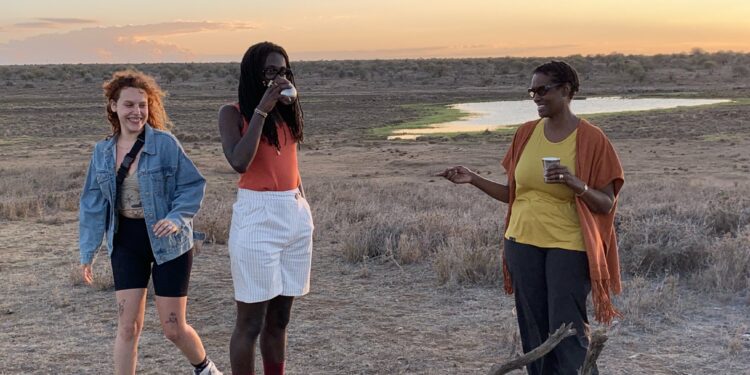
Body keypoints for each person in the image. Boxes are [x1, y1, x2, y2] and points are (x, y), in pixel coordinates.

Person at [438, 61, 624, 375]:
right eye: (532, 91)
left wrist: (576, 184)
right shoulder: (526, 133)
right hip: (521, 243)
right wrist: (473, 178)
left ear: (566, 91)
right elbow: (513, 192)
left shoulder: (592, 139)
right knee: (533, 329)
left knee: (567, 330)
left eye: (543, 90)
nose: (536, 97)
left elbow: (606, 203)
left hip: (568, 245)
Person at [79, 70, 222, 375]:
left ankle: (206, 369)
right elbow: (92, 204)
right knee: (128, 327)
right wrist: (87, 252)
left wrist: (176, 217)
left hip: (169, 243)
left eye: (142, 105)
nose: (137, 112)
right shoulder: (101, 153)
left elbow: (193, 185)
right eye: (129, 105)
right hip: (126, 242)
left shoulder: (165, 144)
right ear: (114, 107)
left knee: (173, 328)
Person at [218, 42, 313, 375]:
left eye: (284, 71)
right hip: (257, 218)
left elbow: (288, 163)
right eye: (270, 71)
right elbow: (239, 161)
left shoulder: (287, 114)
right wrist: (260, 110)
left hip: (293, 213)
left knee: (280, 318)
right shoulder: (233, 113)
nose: (278, 78)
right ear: (253, 74)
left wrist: (301, 202)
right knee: (251, 322)